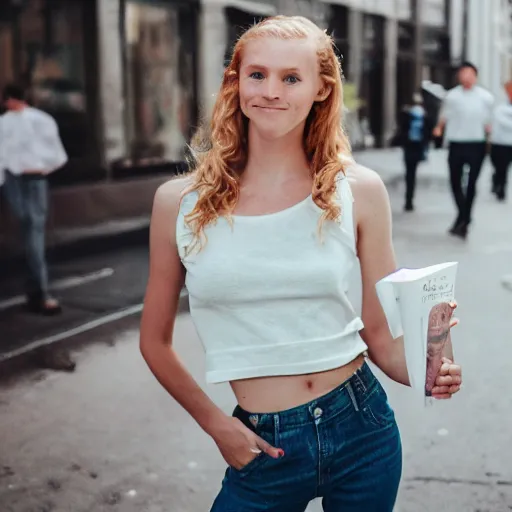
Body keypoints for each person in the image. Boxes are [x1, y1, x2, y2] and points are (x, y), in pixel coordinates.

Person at [140, 16, 462, 512]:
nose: (271, 91)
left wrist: (431, 367)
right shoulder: (179, 202)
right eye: (257, 75)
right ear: (236, 82)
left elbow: (381, 337)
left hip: (362, 429)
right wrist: (218, 426)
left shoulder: (359, 190)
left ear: (320, 89)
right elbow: (154, 342)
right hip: (263, 444)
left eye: (291, 78)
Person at [0, 84, 67, 314]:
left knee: (31, 233)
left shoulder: (5, 123)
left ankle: (37, 291)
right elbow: (58, 156)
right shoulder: (42, 120)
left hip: (15, 180)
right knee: (33, 233)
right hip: (33, 179)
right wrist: (40, 168)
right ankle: (38, 292)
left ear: (9, 100)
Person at [433, 62, 494, 239]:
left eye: (469, 73)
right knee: (455, 181)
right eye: (463, 73)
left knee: (472, 183)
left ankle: (463, 219)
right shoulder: (452, 96)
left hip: (477, 143)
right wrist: (438, 128)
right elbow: (444, 116)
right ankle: (464, 215)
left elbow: (489, 122)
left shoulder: (486, 97)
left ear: (475, 76)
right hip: (456, 143)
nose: (466, 76)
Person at [399, 92, 433, 211]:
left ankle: (409, 199)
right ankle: (409, 199)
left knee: (409, 173)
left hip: (410, 147)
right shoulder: (424, 115)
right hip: (417, 147)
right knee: (412, 173)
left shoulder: (408, 115)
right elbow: (428, 133)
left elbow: (402, 129)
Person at [490, 80, 512, 201]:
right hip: (500, 142)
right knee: (500, 167)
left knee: (505, 168)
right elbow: (500, 120)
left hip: (510, 143)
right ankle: (498, 183)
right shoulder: (500, 105)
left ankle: (502, 189)